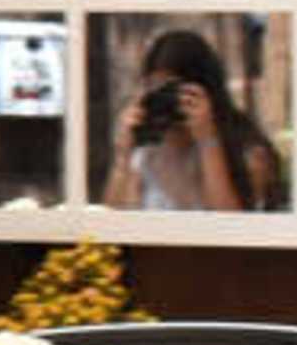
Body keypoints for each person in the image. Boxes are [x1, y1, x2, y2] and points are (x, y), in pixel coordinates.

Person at [99, 30, 283, 213]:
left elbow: (228, 226)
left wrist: (208, 140)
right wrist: (123, 153)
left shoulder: (247, 152)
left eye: (173, 91)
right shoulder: (148, 154)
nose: (167, 102)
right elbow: (113, 221)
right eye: (156, 90)